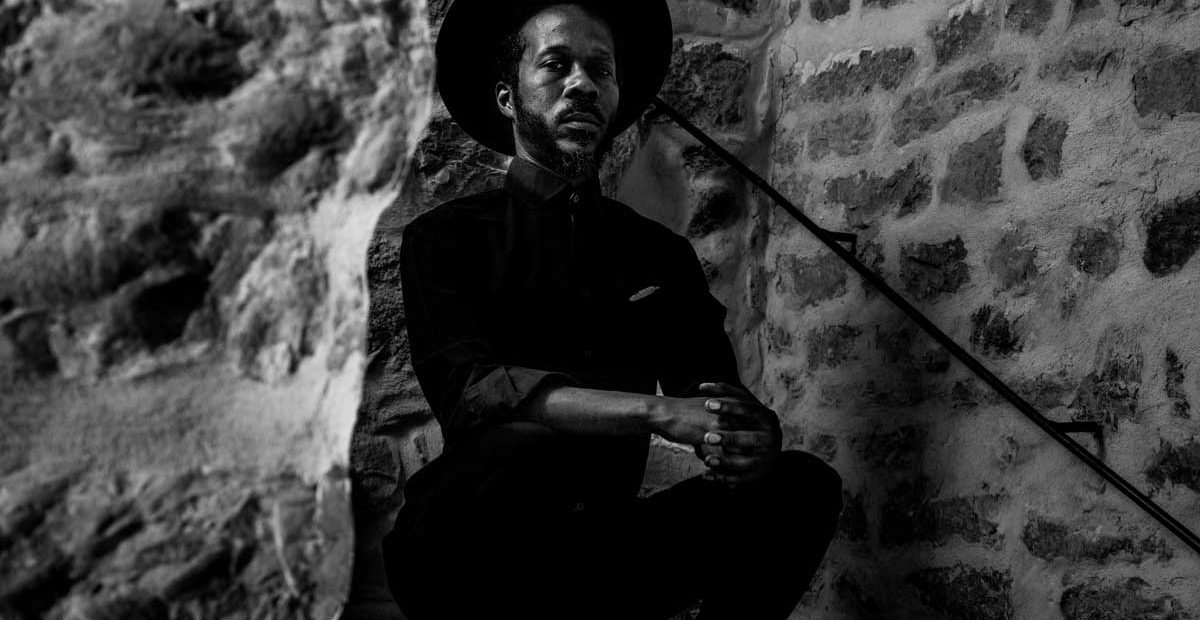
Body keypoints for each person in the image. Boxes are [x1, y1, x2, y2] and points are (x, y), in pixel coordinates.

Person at [381, 1, 842, 618]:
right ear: (508, 98)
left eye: (601, 70)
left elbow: (714, 396)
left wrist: (746, 436)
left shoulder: (659, 254)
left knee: (801, 486)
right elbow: (474, 391)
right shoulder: (443, 238)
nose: (583, 84)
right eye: (556, 65)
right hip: (469, 550)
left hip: (600, 553)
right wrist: (656, 412)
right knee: (522, 446)